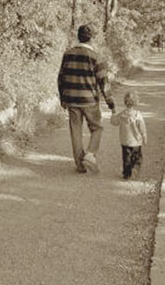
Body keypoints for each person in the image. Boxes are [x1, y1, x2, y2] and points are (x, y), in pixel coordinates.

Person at [58, 25, 115, 173]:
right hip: (89, 100)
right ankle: (90, 154)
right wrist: (111, 104)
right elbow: (104, 83)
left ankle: (80, 165)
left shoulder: (68, 54)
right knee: (97, 128)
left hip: (71, 100)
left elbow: (61, 77)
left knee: (75, 131)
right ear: (91, 38)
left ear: (78, 36)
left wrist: (63, 98)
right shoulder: (96, 56)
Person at [111, 91, 147, 180]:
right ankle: (135, 169)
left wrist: (113, 113)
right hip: (136, 142)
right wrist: (144, 136)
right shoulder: (137, 115)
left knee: (126, 158)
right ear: (136, 102)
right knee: (137, 157)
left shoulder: (122, 114)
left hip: (125, 141)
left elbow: (114, 122)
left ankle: (127, 173)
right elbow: (142, 127)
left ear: (125, 102)